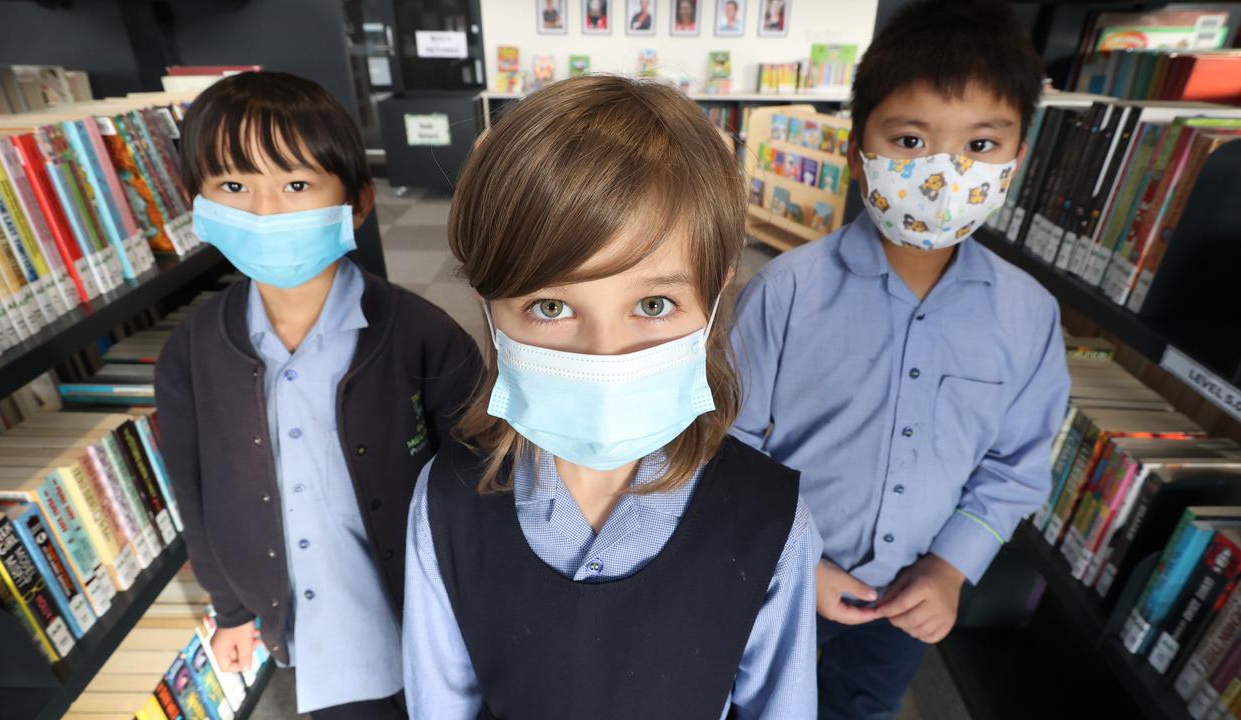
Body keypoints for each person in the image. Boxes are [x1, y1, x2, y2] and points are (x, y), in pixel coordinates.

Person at [402, 75, 819, 719]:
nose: (603, 357)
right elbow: (440, 702)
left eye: (653, 305)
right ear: (488, 307)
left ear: (716, 294)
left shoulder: (772, 519)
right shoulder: (444, 504)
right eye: (550, 305)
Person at [729, 1, 1070, 717]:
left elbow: (1016, 465)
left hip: (911, 597)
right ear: (858, 153)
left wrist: (950, 569)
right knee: (753, 698)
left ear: (1016, 162)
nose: (945, 172)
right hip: (775, 579)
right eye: (911, 139)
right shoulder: (785, 292)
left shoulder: (1029, 315)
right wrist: (794, 562)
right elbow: (731, 443)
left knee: (865, 706)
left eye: (980, 146)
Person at [155, 71, 481, 719]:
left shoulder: (424, 337)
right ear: (200, 201)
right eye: (234, 186)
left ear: (357, 202)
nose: (265, 212)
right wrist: (231, 609)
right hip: (308, 641)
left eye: (297, 184)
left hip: (425, 624)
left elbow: (478, 484)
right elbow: (193, 490)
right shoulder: (189, 353)